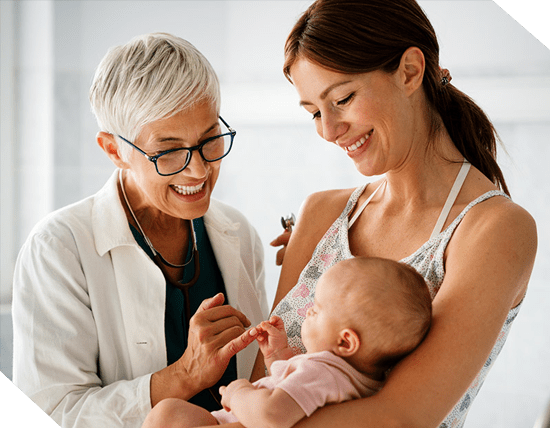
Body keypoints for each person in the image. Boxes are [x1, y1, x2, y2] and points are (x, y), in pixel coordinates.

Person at [258, 0, 538, 427]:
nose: (329, 131)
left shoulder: (493, 229)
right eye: (314, 112)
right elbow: (268, 381)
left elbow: (401, 417)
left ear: (410, 71)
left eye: (343, 99)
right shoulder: (322, 215)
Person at [12, 32, 268, 428]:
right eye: (168, 151)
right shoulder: (59, 248)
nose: (198, 170)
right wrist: (183, 377)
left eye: (209, 140)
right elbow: (47, 415)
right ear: (114, 150)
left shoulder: (238, 233)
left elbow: (265, 379)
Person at [141, 257, 432, 428]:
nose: (308, 311)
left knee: (168, 414)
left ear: (346, 343)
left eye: (317, 310)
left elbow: (272, 414)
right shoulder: (354, 379)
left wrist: (237, 392)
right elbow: (294, 391)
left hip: (243, 420)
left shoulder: (323, 371)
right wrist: (279, 355)